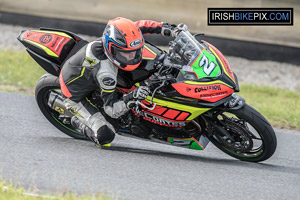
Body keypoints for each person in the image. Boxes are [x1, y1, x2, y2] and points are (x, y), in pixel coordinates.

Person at [59, 17, 188, 146]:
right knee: (105, 136)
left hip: (89, 73)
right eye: (125, 54)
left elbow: (142, 26)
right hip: (74, 94)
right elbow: (112, 110)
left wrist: (172, 29)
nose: (132, 57)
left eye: (135, 52)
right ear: (112, 49)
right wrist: (133, 96)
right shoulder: (106, 74)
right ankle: (75, 120)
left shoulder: (123, 36)